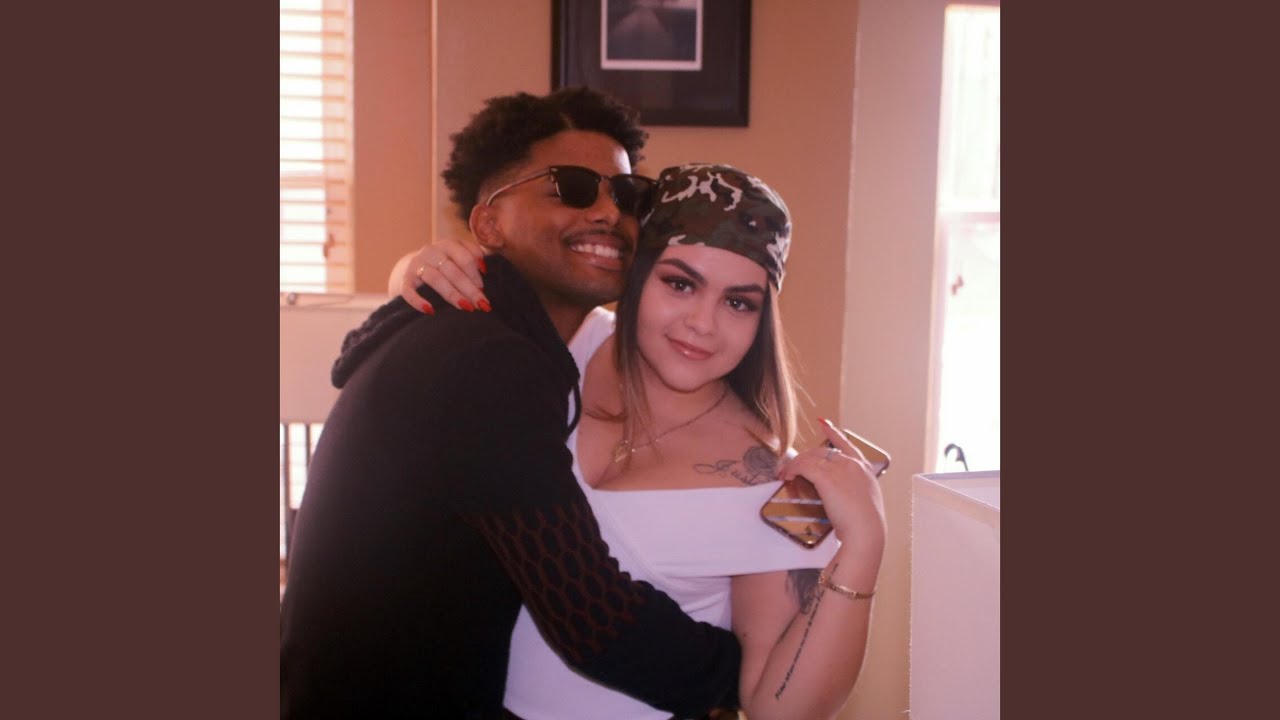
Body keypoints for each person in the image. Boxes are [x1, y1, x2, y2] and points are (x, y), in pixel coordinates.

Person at [279, 88, 744, 719]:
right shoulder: (487, 364)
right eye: (572, 187)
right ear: (489, 224)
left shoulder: (470, 333)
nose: (608, 212)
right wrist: (746, 675)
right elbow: (593, 620)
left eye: (628, 195)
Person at [399, 164, 887, 720]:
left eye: (738, 302)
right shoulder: (566, 344)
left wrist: (864, 545)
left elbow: (781, 709)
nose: (703, 323)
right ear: (634, 273)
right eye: (680, 284)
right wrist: (416, 267)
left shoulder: (767, 483)